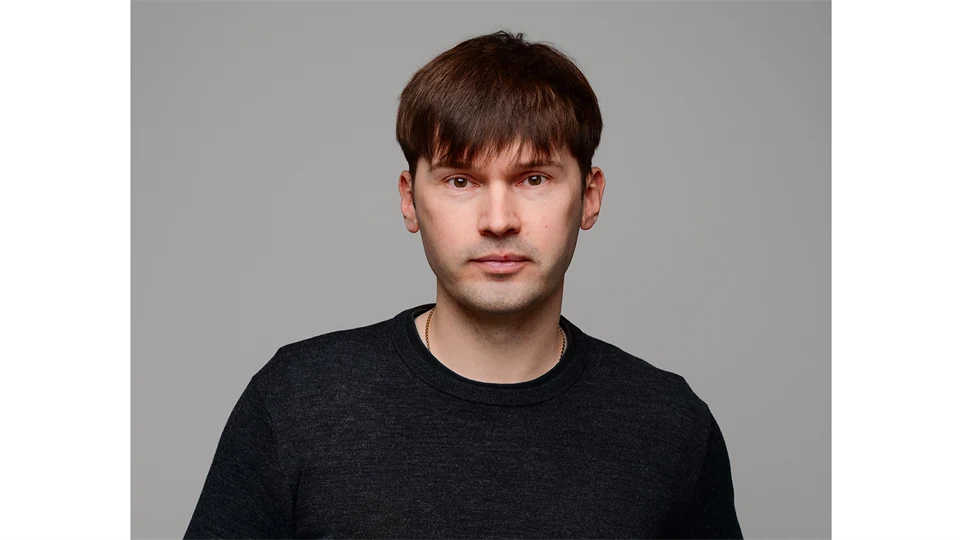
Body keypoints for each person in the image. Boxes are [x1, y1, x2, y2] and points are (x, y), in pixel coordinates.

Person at [184, 30, 744, 539]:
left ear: (590, 196)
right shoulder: (297, 403)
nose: (498, 219)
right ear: (409, 199)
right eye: (460, 180)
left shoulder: (670, 428)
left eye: (533, 178)